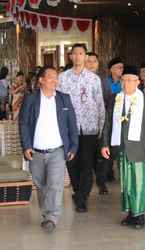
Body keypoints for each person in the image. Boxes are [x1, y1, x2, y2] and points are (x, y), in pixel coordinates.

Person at [19, 66, 78, 233]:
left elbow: (72, 124)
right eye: (51, 77)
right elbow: (23, 124)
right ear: (41, 80)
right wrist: (27, 146)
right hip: (36, 151)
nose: (55, 80)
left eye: (56, 77)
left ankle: (52, 217)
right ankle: (46, 215)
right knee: (40, 184)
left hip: (58, 151)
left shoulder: (64, 99)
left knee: (55, 184)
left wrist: (73, 146)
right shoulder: (31, 99)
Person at [101, 65, 145, 229]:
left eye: (131, 81)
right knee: (126, 182)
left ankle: (139, 215)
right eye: (124, 80)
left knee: (139, 182)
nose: (127, 84)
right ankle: (131, 213)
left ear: (138, 82)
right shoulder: (115, 99)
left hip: (139, 148)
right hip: (121, 147)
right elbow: (108, 124)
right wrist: (104, 144)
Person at [58, 43, 105, 213]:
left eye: (81, 53)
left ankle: (82, 197)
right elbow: (58, 102)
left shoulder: (94, 79)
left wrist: (101, 127)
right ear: (70, 56)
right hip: (70, 128)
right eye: (74, 53)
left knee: (86, 163)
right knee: (72, 163)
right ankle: (78, 191)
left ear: (86, 57)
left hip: (89, 128)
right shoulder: (62, 78)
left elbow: (100, 103)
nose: (78, 56)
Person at [86, 52, 111, 195]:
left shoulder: (103, 81)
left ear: (98, 64)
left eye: (94, 61)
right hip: (85, 126)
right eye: (88, 61)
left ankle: (102, 182)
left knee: (102, 155)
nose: (91, 64)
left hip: (101, 122)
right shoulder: (81, 80)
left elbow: (108, 102)